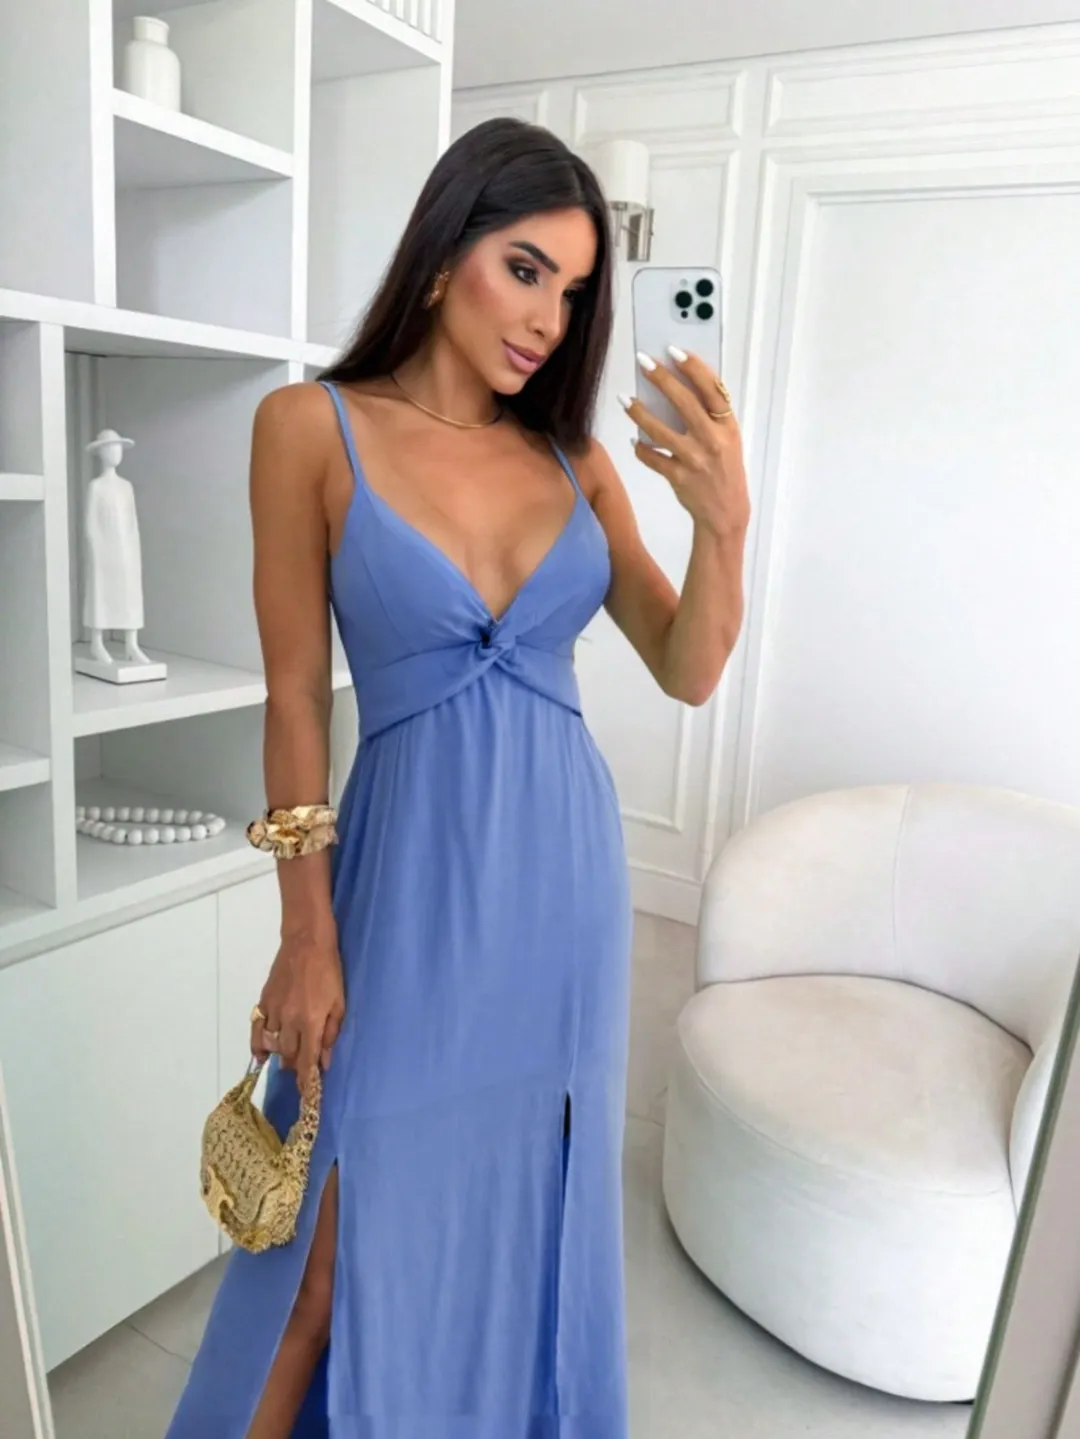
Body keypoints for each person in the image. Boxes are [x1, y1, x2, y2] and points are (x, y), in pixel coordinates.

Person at [166, 116, 749, 1439]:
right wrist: (305, 935)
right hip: (404, 886)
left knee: (527, 1216)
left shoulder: (576, 463)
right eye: (526, 268)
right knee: (319, 1255)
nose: (549, 317)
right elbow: (293, 696)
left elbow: (687, 665)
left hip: (562, 894)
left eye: (575, 291)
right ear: (442, 256)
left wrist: (724, 524)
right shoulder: (308, 428)